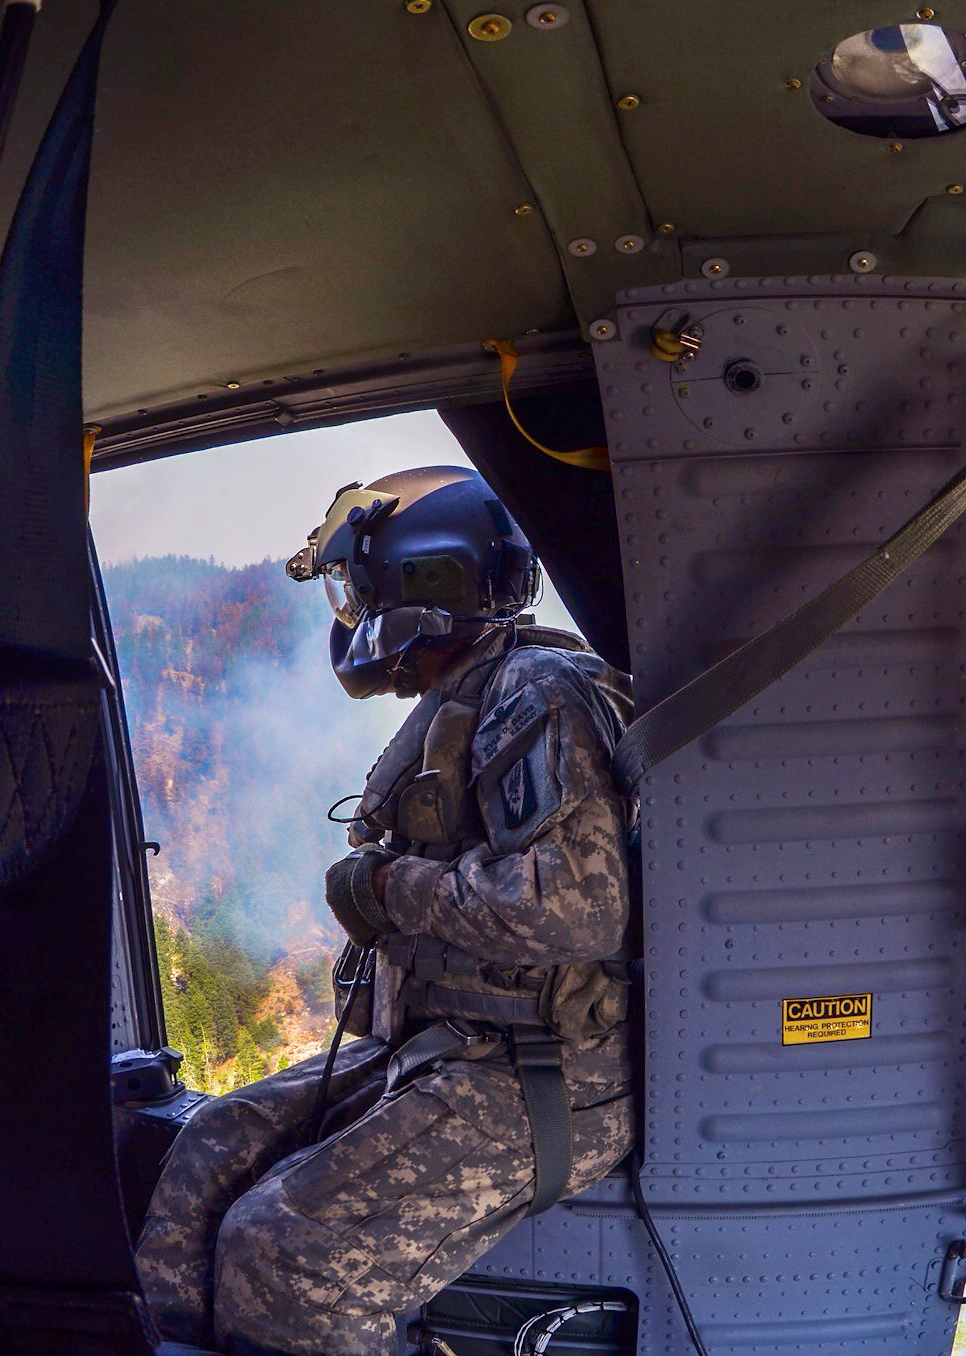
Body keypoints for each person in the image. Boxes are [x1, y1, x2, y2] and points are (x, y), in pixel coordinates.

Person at [136, 466, 635, 1355]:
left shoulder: (537, 690)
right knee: (211, 1149)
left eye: (359, 586)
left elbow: (574, 911)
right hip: (449, 1041)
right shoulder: (474, 693)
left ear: (424, 584)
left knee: (288, 1255)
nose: (352, 613)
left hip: (545, 1069)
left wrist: (383, 889)